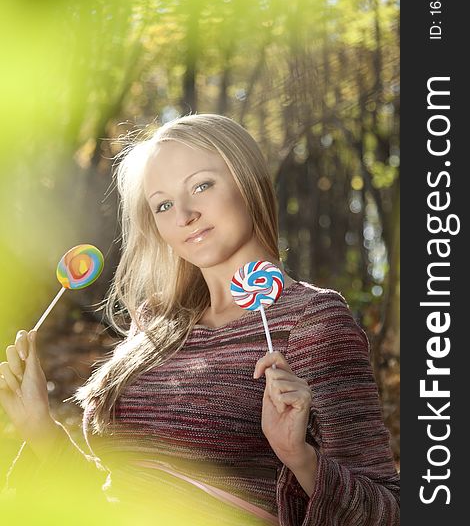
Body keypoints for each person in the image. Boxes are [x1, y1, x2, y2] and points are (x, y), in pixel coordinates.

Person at [0, 114, 400, 524]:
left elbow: (387, 512)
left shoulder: (312, 322)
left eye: (202, 185)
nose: (184, 214)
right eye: (164, 204)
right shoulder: (155, 326)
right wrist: (39, 426)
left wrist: (301, 458)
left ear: (248, 182)